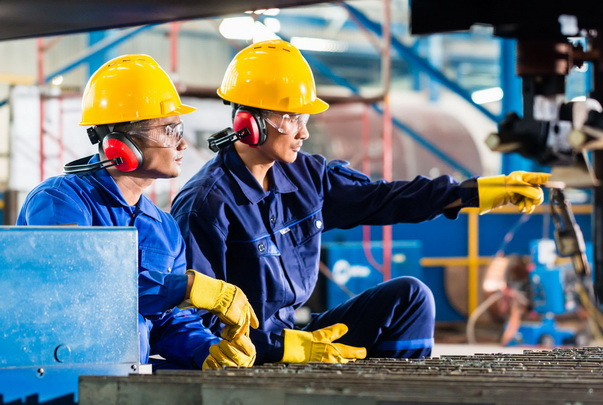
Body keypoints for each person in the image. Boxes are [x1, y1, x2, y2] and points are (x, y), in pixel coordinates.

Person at [171, 40, 550, 365]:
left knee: (410, 298)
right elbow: (198, 326)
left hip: (295, 335)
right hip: (248, 354)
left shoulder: (307, 176)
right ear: (247, 123)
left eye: (304, 117)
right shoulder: (208, 203)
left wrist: (471, 192)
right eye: (290, 118)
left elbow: (385, 198)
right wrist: (282, 348)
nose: (304, 131)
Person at [16, 54, 258, 369]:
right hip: (55, 376)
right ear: (121, 144)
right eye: (170, 131)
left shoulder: (164, 227)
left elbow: (171, 323)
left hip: (120, 379)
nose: (183, 145)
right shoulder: (59, 203)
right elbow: (81, 288)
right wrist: (184, 287)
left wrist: (209, 352)